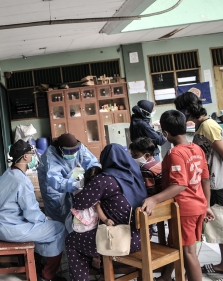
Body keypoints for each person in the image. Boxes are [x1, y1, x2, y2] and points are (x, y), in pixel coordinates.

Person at [141, 110, 214, 281]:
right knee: (176, 245)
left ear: (165, 133)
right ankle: (166, 277)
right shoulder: (197, 149)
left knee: (188, 252)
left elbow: (180, 184)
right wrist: (207, 205)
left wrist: (154, 199)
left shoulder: (176, 153)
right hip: (198, 205)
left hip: (185, 209)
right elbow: (205, 180)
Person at [66, 144, 147, 281]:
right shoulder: (135, 174)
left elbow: (79, 202)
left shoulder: (105, 179)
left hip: (123, 240)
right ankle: (100, 266)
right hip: (143, 236)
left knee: (71, 241)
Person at [0, 139, 67, 281]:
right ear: (25, 157)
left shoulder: (7, 174)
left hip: (2, 225)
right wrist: (45, 219)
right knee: (58, 228)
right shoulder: (21, 181)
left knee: (45, 228)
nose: (33, 157)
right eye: (31, 154)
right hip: (11, 229)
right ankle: (48, 275)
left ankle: (37, 265)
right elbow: (31, 213)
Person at [174, 92, 223, 274]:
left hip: (216, 181)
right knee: (218, 227)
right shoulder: (201, 126)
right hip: (210, 181)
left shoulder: (208, 125)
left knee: (220, 225)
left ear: (187, 111)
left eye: (180, 111)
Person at [37, 133, 100, 226]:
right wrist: (76, 184)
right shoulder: (50, 156)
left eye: (76, 150)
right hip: (52, 187)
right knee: (57, 213)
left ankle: (68, 231)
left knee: (68, 208)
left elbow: (91, 162)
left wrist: (93, 174)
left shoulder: (78, 147)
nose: (74, 153)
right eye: (70, 152)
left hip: (68, 179)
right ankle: (59, 235)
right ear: (61, 149)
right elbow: (55, 180)